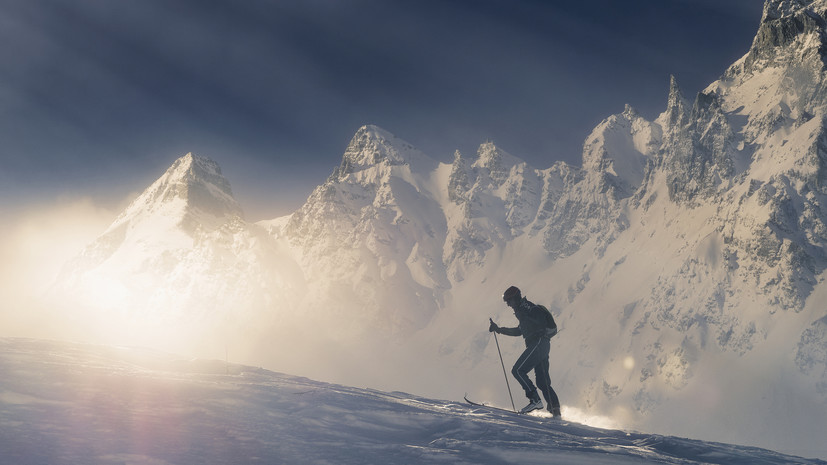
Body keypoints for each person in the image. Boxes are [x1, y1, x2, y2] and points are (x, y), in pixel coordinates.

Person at [489, 285, 561, 417]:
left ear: (515, 298)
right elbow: (519, 331)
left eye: (509, 301)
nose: (508, 305)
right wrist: (499, 329)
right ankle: (556, 412)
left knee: (517, 370)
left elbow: (537, 322)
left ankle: (535, 399)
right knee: (542, 381)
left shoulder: (526, 308)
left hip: (538, 343)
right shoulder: (523, 310)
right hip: (542, 345)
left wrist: (527, 320)